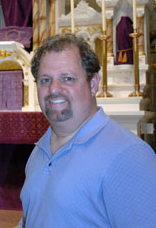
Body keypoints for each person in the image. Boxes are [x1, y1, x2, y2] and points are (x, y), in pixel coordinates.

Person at [19, 33, 156, 228]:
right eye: (45, 80)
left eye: (67, 78)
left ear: (93, 84)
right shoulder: (39, 151)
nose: (54, 89)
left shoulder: (129, 156)